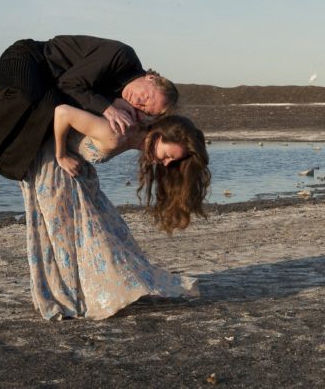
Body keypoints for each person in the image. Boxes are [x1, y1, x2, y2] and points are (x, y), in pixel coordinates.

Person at [21, 105, 211, 320]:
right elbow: (62, 112)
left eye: (171, 161)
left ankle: (82, 296)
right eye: (167, 155)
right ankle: (70, 299)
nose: (166, 163)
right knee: (67, 239)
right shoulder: (115, 134)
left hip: (73, 175)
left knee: (106, 234)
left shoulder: (132, 132)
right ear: (158, 137)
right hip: (53, 171)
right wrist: (61, 154)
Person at [0, 36, 179, 201]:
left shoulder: (122, 99)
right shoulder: (122, 56)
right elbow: (68, 83)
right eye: (146, 97)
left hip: (49, 91)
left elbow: (68, 102)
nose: (138, 102)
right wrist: (107, 107)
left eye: (144, 108)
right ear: (151, 77)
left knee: (47, 113)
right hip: (27, 59)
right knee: (26, 98)